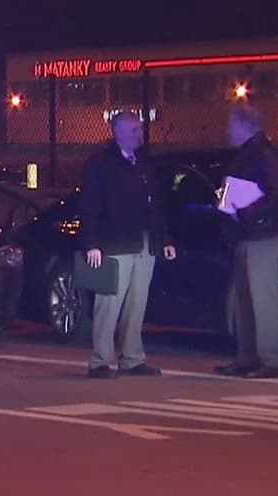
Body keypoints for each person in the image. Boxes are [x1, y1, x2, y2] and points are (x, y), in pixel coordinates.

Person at [80, 112, 176, 379]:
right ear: (117, 132)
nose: (140, 133)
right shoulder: (100, 164)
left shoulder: (143, 163)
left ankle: (132, 357)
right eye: (134, 129)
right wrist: (93, 244)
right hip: (113, 243)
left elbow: (155, 204)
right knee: (108, 304)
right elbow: (90, 206)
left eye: (140, 128)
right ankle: (100, 360)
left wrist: (164, 239)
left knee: (137, 303)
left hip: (144, 242)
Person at [215, 105, 278, 380]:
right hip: (248, 235)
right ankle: (247, 357)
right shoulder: (253, 155)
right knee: (244, 301)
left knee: (262, 300)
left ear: (246, 126)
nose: (227, 130)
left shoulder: (263, 156)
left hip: (261, 236)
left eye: (231, 124)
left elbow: (276, 195)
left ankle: (269, 360)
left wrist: (243, 212)